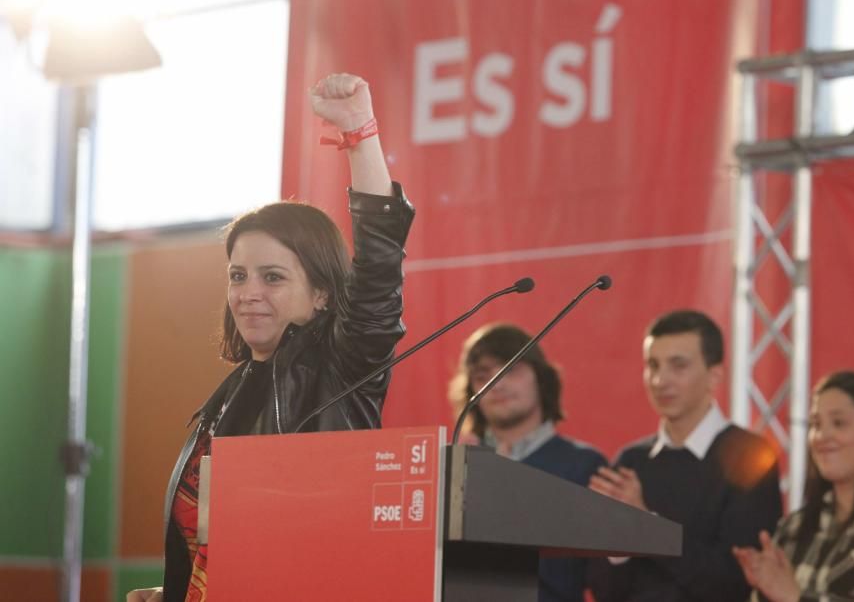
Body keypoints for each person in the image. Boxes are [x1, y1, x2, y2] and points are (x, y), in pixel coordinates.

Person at [127, 73, 415, 602]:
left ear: (324, 294)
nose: (248, 293)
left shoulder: (343, 369)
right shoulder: (232, 393)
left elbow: (379, 264)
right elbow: (216, 548)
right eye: (238, 276)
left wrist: (360, 133)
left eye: (273, 277)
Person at [587, 310, 782, 601]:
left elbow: (735, 582)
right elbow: (604, 590)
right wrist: (618, 548)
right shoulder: (631, 461)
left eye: (678, 366)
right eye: (653, 365)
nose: (660, 380)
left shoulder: (750, 456)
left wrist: (648, 527)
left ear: (714, 375)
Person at [449, 322, 608, 602]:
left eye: (510, 370)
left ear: (541, 378)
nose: (497, 384)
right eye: (482, 375)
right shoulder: (455, 468)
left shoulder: (585, 465)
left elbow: (605, 580)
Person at [734, 370, 854, 601]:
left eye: (839, 423)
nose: (822, 436)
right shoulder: (793, 527)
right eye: (815, 424)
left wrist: (796, 597)